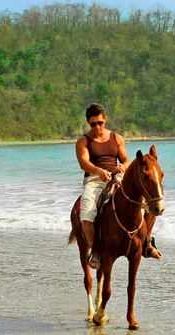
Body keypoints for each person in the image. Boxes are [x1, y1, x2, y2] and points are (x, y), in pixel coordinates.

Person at [75, 103, 130, 269]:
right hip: (95, 179)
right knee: (86, 215)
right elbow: (84, 163)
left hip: (117, 176)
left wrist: (123, 167)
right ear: (88, 123)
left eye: (100, 123)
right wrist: (99, 171)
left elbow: (126, 160)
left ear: (105, 119)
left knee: (144, 200)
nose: (98, 127)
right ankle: (95, 251)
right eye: (93, 124)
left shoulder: (116, 138)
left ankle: (147, 241)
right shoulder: (83, 142)